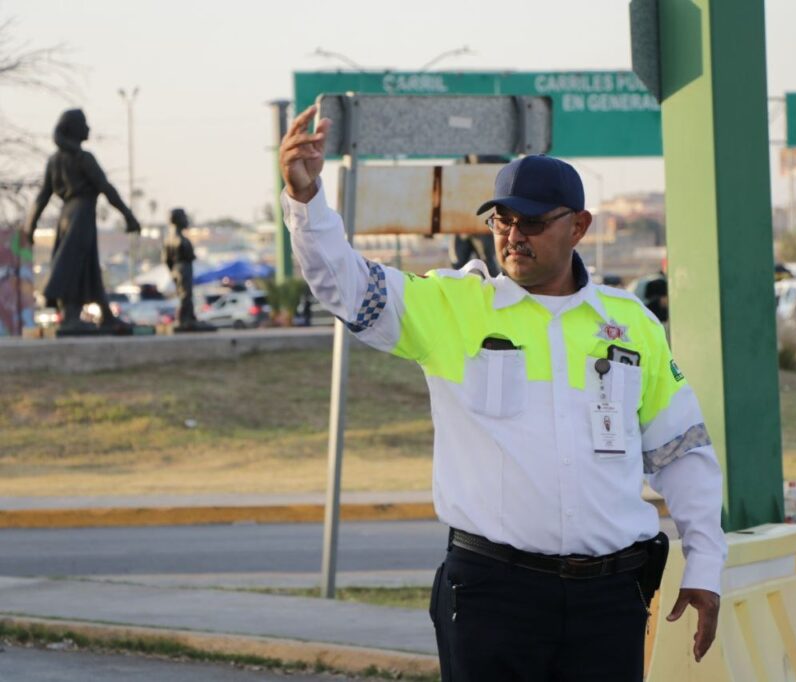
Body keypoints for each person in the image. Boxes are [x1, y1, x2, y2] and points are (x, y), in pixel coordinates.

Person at [279, 106, 726, 681]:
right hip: (493, 597)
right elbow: (345, 284)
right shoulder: (453, 307)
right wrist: (307, 200)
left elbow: (680, 452)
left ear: (579, 226)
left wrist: (706, 565)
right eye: (502, 220)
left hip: (610, 601)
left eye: (533, 222)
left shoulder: (631, 323)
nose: (514, 236)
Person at [22, 109, 140, 332]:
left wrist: (31, 224)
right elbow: (106, 188)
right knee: (73, 265)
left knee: (88, 266)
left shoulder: (55, 160)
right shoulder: (82, 158)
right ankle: (71, 317)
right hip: (81, 213)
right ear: (74, 128)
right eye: (84, 124)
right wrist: (128, 216)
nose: (88, 128)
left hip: (67, 215)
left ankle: (104, 314)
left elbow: (42, 196)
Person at [164, 208, 198, 328]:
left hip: (179, 268)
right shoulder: (178, 239)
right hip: (182, 268)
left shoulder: (172, 238)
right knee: (185, 295)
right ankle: (183, 320)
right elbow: (167, 259)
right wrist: (176, 271)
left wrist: (173, 271)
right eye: (184, 217)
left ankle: (190, 317)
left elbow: (166, 260)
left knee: (186, 294)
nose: (186, 220)